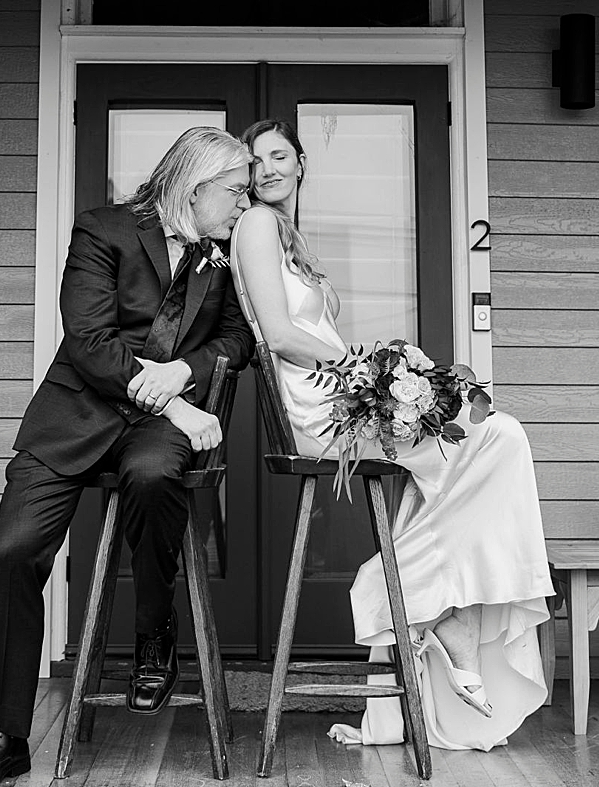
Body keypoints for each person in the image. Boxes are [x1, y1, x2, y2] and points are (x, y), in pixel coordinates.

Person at [0, 126, 257, 787]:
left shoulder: (222, 254)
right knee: (13, 552)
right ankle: (4, 737)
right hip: (76, 413)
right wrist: (174, 401)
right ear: (196, 187)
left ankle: (154, 636)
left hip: (153, 435)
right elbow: (87, 340)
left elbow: (237, 340)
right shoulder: (104, 230)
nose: (242, 203)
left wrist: (183, 372)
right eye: (234, 191)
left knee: (152, 474)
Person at [233, 118, 554, 751]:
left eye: (278, 155)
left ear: (300, 163)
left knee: (468, 455)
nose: (267, 168)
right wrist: (371, 373)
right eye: (255, 161)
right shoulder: (256, 225)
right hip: (320, 411)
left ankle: (422, 611)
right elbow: (279, 336)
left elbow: (314, 337)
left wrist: (382, 368)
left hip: (339, 393)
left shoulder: (292, 238)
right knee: (499, 437)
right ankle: (422, 611)